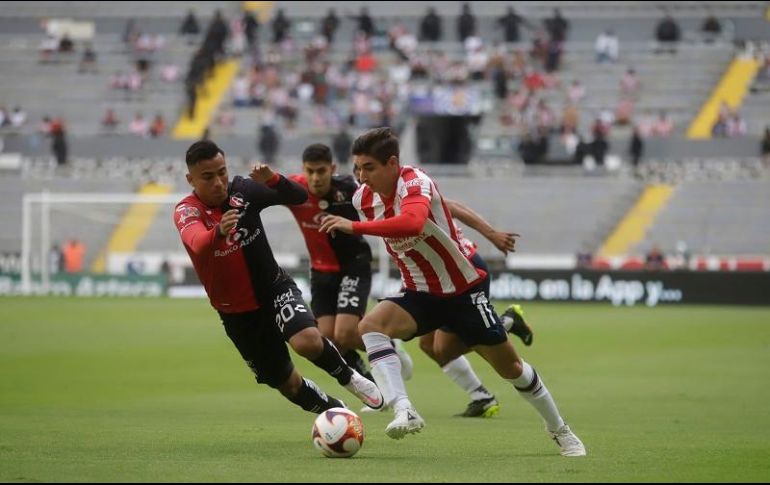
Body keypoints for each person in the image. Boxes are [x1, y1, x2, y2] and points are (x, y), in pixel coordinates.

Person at [319, 128, 586, 456]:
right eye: (357, 168)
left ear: (392, 163)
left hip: (463, 289)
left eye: (369, 168)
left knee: (510, 369)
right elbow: (449, 206)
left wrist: (354, 227)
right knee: (371, 327)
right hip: (421, 291)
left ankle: (559, 428)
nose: (361, 176)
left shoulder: (415, 182)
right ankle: (404, 407)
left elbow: (413, 223)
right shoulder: (364, 197)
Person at [173, 140, 383, 417]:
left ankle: (349, 377)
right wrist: (218, 233)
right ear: (191, 179)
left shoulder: (243, 190)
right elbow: (196, 241)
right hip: (237, 313)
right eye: (208, 177)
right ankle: (337, 412)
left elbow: (298, 196)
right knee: (287, 384)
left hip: (273, 289)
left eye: (222, 172)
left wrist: (272, 180)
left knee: (307, 340)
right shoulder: (187, 210)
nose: (219, 182)